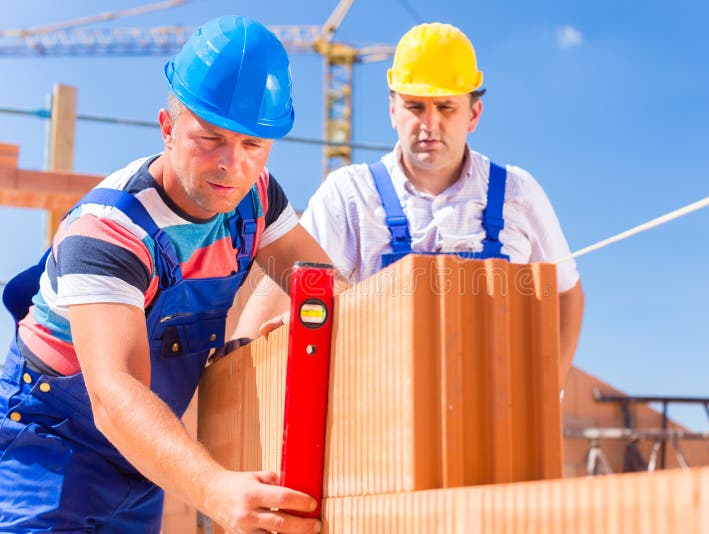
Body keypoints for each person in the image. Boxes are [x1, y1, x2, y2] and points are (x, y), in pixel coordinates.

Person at [0, 16, 325, 533]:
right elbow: (114, 394)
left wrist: (305, 318)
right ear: (168, 128)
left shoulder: (257, 198)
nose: (231, 166)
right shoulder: (110, 232)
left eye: (252, 146)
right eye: (210, 138)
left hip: (143, 461)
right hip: (50, 453)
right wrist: (217, 490)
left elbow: (322, 285)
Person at [300, 22, 585, 387]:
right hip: (378, 424)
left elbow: (566, 296)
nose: (429, 124)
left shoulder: (518, 194)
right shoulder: (348, 195)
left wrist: (548, 398)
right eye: (415, 106)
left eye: (446, 107)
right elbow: (291, 297)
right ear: (392, 110)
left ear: (474, 114)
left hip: (495, 425)